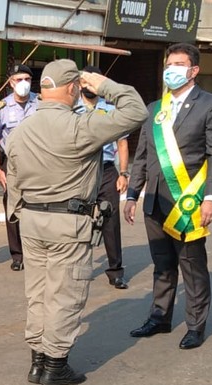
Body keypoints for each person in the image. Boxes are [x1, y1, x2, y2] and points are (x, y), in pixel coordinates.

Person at [6, 59, 145, 385]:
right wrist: (102, 84)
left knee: (38, 293)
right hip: (69, 224)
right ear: (73, 89)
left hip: (31, 221)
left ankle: (37, 360)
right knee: (64, 293)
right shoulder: (81, 127)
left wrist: (19, 216)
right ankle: (55, 365)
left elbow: (13, 182)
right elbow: (136, 110)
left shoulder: (20, 130)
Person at [124, 42, 212, 350]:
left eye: (178, 64)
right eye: (168, 64)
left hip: (189, 201)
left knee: (191, 265)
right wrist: (133, 194)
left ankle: (196, 325)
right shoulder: (154, 109)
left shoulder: (211, 105)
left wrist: (211, 197)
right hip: (156, 199)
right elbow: (142, 156)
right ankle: (160, 317)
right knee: (162, 263)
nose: (171, 70)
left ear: (193, 70)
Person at [78, 64, 131, 290]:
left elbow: (122, 142)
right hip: (80, 170)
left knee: (110, 219)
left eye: (94, 82)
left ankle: (115, 271)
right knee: (78, 218)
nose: (89, 86)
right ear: (80, 84)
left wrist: (124, 173)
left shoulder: (111, 110)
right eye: (85, 82)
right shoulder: (71, 109)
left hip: (107, 169)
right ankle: (79, 267)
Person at [0, 64, 39, 272]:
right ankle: (17, 255)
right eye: (19, 80)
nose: (24, 83)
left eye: (27, 79)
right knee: (13, 209)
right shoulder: (1, 108)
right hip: (13, 164)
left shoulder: (41, 103)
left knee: (38, 208)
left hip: (39, 163)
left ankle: (35, 252)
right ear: (11, 82)